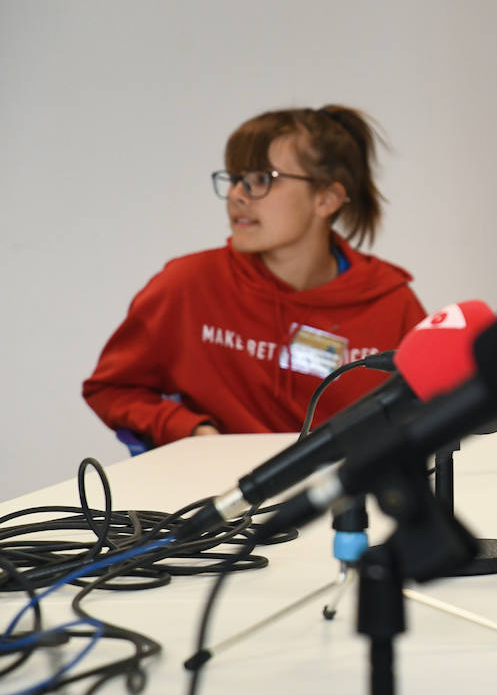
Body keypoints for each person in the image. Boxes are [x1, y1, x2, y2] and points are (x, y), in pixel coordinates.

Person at [84, 105, 427, 448]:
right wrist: (189, 430)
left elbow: (432, 414)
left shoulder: (392, 303)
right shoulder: (188, 285)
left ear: (327, 198)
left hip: (344, 493)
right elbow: (111, 388)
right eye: (234, 179)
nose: (236, 195)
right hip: (219, 492)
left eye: (261, 179)